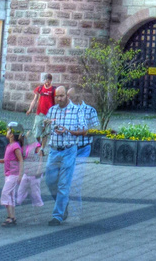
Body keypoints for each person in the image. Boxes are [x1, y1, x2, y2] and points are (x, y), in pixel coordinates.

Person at [44, 85, 87, 226]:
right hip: (54, 150)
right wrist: (44, 125)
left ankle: (58, 215)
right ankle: (63, 202)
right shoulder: (52, 110)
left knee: (63, 184)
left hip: (69, 150)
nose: (59, 99)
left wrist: (68, 131)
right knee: (50, 180)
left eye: (61, 96)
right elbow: (45, 130)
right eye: (56, 96)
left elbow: (84, 130)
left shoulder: (76, 111)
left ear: (67, 96)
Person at [66, 87, 100, 218]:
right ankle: (66, 209)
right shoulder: (65, 111)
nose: (66, 99)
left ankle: (75, 212)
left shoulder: (90, 111)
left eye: (69, 96)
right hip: (69, 148)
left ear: (77, 97)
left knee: (76, 181)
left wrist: (83, 130)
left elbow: (96, 128)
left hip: (83, 148)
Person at [0, 123, 24, 226]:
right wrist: (0, 161)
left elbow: (20, 160)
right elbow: (8, 159)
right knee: (10, 195)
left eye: (9, 130)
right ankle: (12, 217)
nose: (7, 132)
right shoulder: (9, 145)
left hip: (13, 174)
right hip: (8, 174)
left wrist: (20, 175)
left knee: (5, 193)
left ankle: (10, 217)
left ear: (12, 134)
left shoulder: (15, 146)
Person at [27, 74, 56, 143]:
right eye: (46, 80)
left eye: (48, 80)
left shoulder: (54, 90)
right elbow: (35, 99)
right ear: (44, 80)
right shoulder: (40, 88)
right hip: (40, 113)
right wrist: (30, 109)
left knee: (45, 133)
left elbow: (56, 102)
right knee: (37, 133)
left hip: (49, 114)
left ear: (51, 80)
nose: (47, 82)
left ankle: (42, 149)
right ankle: (39, 144)